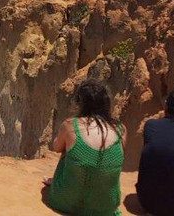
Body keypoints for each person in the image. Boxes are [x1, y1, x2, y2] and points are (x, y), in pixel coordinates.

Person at [43, 80, 124, 216]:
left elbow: (56, 148)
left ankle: (67, 187)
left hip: (64, 202)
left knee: (69, 150)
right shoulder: (121, 129)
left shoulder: (70, 125)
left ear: (79, 102)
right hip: (105, 208)